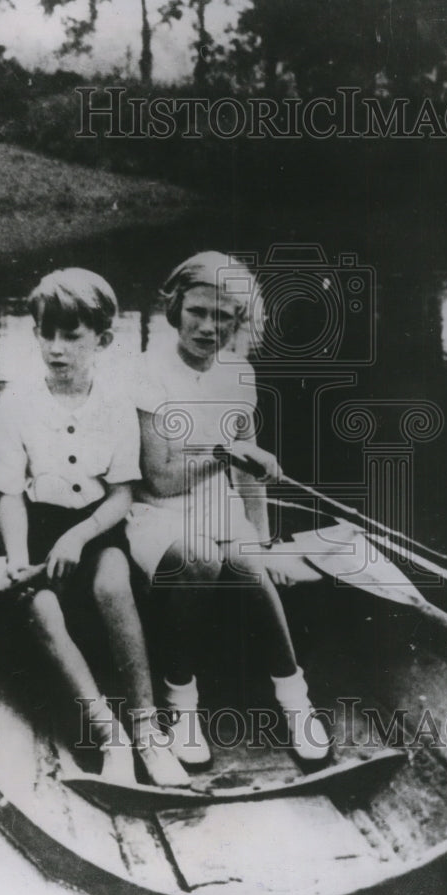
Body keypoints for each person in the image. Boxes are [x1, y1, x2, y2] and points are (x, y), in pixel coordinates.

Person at [0, 267, 188, 787]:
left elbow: (121, 494)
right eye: (45, 334)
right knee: (41, 605)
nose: (56, 348)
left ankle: (148, 731)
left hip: (96, 527)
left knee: (113, 583)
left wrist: (79, 535)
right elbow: (10, 494)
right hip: (34, 527)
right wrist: (15, 560)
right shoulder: (15, 402)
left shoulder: (115, 401)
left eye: (71, 335)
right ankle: (108, 733)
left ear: (101, 339)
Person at [126, 252, 329, 767]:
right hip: (158, 517)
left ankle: (295, 702)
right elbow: (161, 476)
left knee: (242, 561)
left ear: (239, 322)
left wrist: (263, 544)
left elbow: (249, 475)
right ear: (174, 308)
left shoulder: (239, 373)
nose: (208, 326)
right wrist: (227, 452)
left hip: (221, 513)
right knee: (199, 557)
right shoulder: (147, 371)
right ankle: (182, 706)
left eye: (223, 317)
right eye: (197, 311)